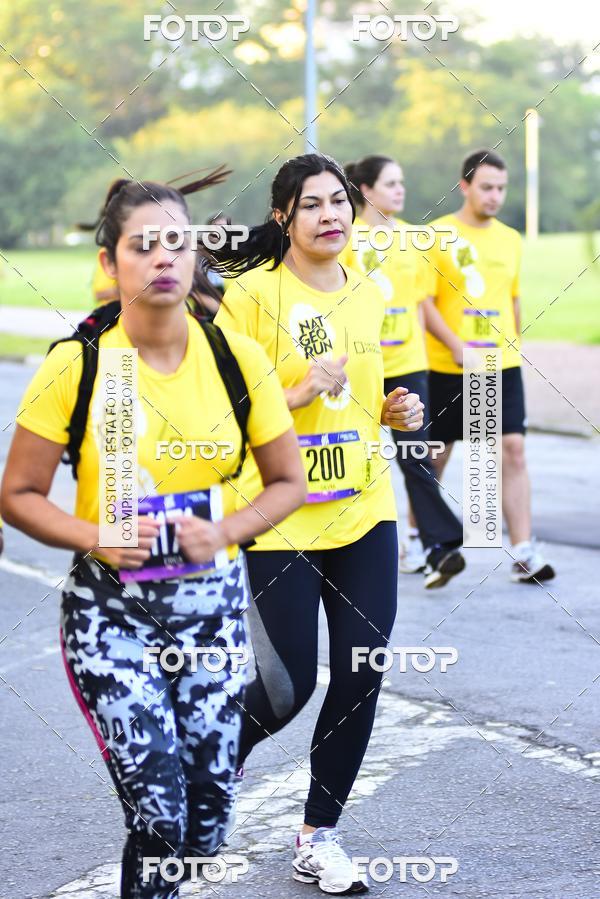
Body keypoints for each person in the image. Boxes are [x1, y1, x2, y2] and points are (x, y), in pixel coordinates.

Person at [0, 172, 306, 898]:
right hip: (113, 620)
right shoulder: (77, 364)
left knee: (207, 821)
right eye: (144, 245)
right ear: (110, 262)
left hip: (212, 614)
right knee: (161, 814)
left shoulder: (236, 359)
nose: (164, 257)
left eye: (177, 242)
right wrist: (95, 536)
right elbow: (17, 494)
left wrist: (224, 530)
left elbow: (287, 483)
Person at [210, 152, 424, 894]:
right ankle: (211, 764)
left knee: (362, 672)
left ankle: (318, 835)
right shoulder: (250, 297)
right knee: (288, 685)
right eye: (312, 204)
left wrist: (394, 410)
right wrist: (295, 393)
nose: (330, 214)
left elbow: (364, 397)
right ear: (283, 216)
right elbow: (222, 410)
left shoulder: (367, 290)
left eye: (339, 201)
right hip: (281, 515)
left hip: (364, 510)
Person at [423, 148, 555, 583]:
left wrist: (515, 344)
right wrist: (455, 345)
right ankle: (421, 539)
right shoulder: (437, 235)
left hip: (500, 364)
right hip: (448, 366)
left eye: (501, 188)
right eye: (486, 187)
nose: (495, 195)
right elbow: (424, 302)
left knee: (512, 448)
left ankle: (523, 550)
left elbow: (512, 299)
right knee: (436, 455)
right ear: (465, 186)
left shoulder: (510, 239)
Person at [342, 155, 465, 588]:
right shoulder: (346, 239)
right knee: (360, 456)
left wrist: (454, 346)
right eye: (391, 183)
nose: (400, 190)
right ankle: (360, 543)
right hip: (361, 366)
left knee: (416, 455)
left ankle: (440, 547)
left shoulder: (415, 239)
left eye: (402, 182)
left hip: (409, 365)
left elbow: (421, 303)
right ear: (366, 190)